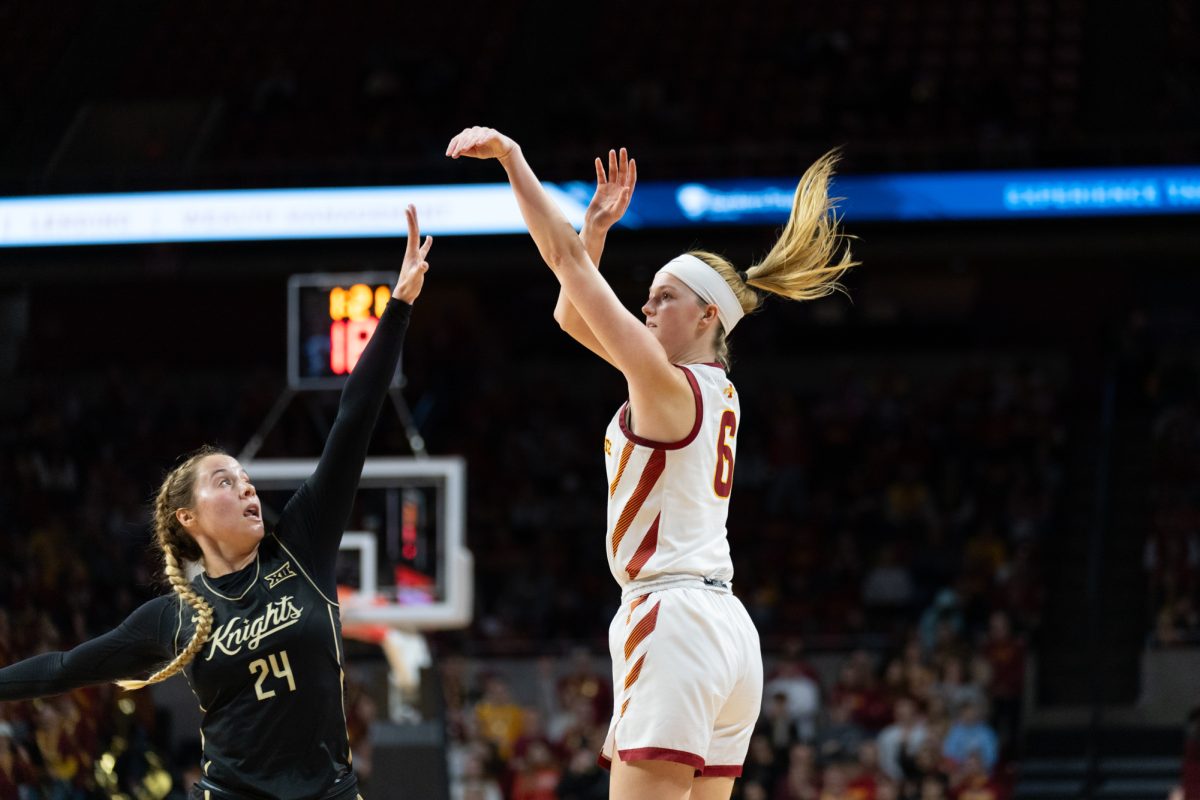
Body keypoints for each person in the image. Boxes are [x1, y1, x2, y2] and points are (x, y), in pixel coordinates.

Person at [447, 127, 857, 800]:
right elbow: (572, 316)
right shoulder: (711, 390)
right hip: (727, 632)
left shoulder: (669, 388)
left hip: (674, 621)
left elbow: (563, 266)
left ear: (705, 317)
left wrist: (515, 159)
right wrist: (598, 231)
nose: (646, 305)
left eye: (664, 296)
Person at [0, 206, 433, 800]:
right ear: (188, 516)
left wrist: (400, 307)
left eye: (246, 478)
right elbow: (62, 669)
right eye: (225, 482)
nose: (247, 487)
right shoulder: (171, 618)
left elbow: (354, 419)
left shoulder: (302, 544)